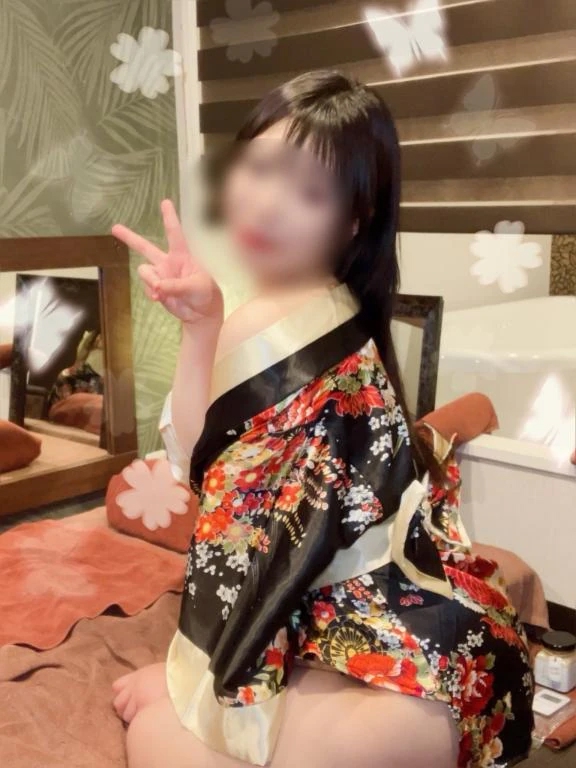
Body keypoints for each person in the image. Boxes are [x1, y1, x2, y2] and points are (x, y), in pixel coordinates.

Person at [111, 70, 533, 768]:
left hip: (359, 607)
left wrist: (190, 678)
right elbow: (205, 463)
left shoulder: (315, 327)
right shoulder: (283, 310)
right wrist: (201, 326)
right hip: (334, 610)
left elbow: (234, 524)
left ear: (354, 220)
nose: (266, 204)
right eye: (259, 168)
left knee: (160, 737)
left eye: (308, 192)